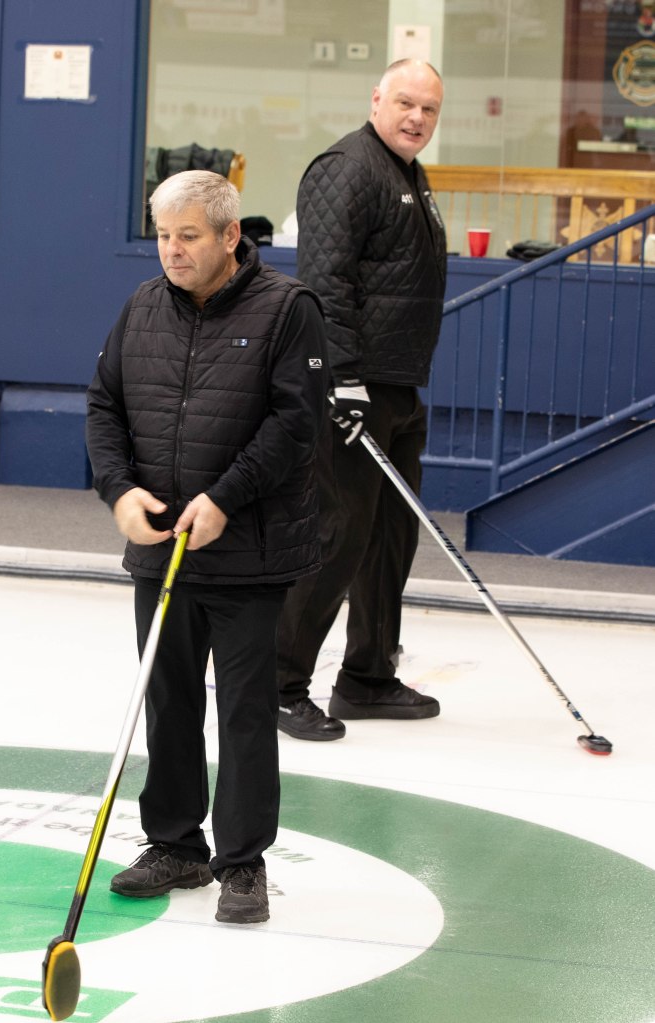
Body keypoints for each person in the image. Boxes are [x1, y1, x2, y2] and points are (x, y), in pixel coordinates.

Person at [85, 170, 328, 923]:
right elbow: (104, 405)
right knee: (168, 701)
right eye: (163, 235)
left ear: (230, 236)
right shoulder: (142, 307)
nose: (172, 250)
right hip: (163, 548)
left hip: (249, 551)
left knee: (246, 712)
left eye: (188, 235)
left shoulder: (288, 309)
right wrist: (119, 490)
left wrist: (226, 497)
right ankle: (175, 844)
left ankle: (242, 862)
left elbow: (296, 423)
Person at [275, 58, 448, 741]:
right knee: (338, 533)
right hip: (353, 389)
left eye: (429, 109)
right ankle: (278, 684)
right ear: (376, 99)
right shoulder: (347, 167)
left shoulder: (406, 173)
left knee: (389, 538)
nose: (417, 117)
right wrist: (340, 379)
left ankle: (367, 676)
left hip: (398, 385)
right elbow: (324, 283)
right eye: (405, 102)